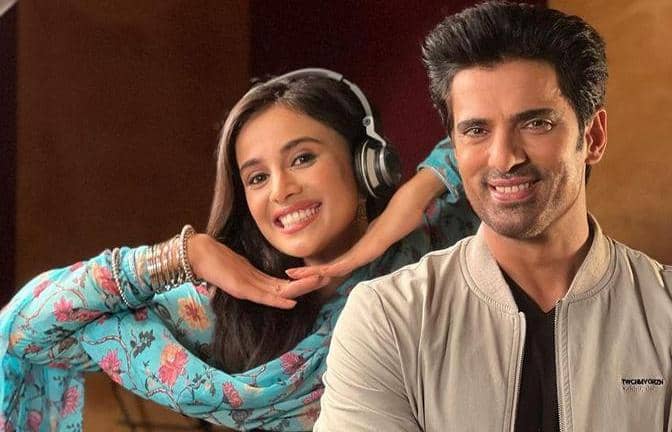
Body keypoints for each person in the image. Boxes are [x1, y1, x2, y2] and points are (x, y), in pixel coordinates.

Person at [314, 2, 672, 431]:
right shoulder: (387, 320)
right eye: (476, 130)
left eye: (536, 124)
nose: (504, 157)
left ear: (593, 137)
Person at [0, 69, 478, 431]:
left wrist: (413, 196)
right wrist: (184, 255)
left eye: (302, 158)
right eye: (257, 177)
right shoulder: (229, 315)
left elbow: (500, 140)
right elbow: (23, 331)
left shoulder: (436, 244)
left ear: (366, 164)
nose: (281, 190)